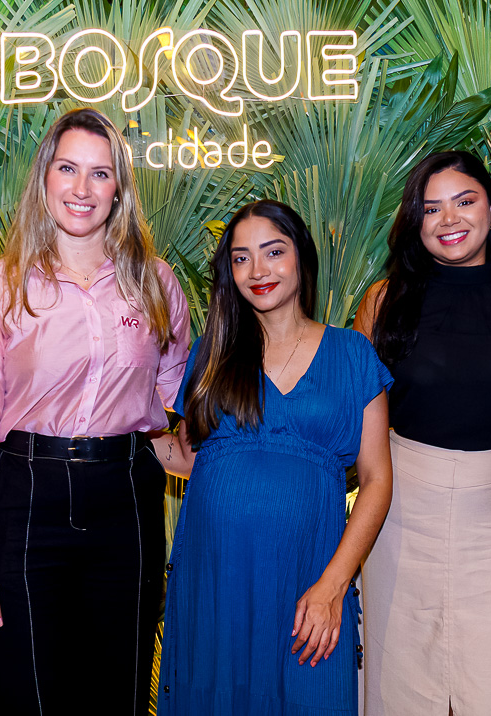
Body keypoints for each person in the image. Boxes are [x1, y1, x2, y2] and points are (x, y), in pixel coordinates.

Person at [0, 107, 189, 715]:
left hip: (125, 498)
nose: (83, 189)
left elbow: (173, 391)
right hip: (26, 496)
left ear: (119, 189)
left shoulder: (157, 285)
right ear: (44, 178)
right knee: (26, 695)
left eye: (100, 174)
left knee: (119, 692)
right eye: (68, 169)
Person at [153, 199, 393, 715]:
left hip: (310, 577)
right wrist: (118, 433)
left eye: (273, 252)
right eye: (241, 258)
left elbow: (377, 480)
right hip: (217, 577)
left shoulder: (354, 354)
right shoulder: (211, 353)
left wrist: (333, 586)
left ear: (301, 256)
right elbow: (189, 457)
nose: (257, 270)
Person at [354, 150, 491, 714]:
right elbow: (353, 417)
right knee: (398, 685)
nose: (449, 219)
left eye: (464, 201)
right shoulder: (383, 301)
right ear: (415, 223)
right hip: (400, 509)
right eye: (431, 208)